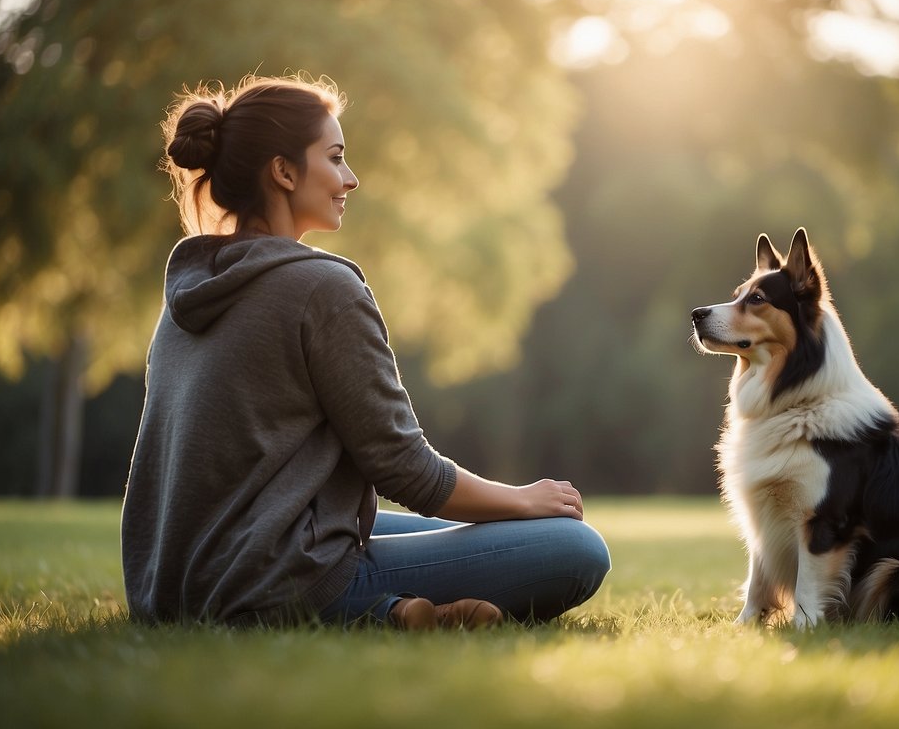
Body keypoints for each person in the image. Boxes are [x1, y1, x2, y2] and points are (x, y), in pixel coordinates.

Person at [121, 74, 610, 630]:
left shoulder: (188, 290)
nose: (350, 180)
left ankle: (395, 612)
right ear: (283, 172)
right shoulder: (321, 287)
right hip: (269, 579)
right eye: (334, 158)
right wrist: (522, 499)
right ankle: (370, 611)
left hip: (174, 581)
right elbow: (406, 469)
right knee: (572, 548)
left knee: (461, 531)